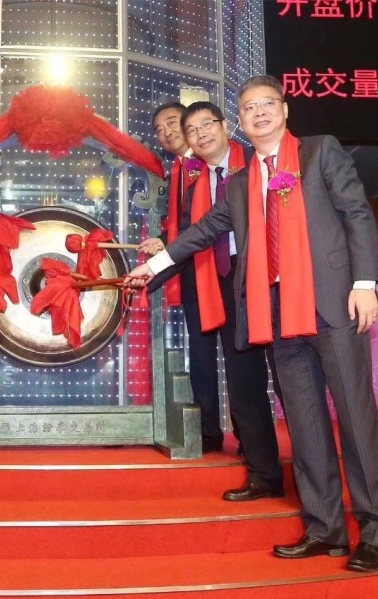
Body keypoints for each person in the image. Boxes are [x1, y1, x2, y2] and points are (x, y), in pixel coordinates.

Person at [126, 75, 378, 573]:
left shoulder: (320, 151)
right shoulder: (239, 183)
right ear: (241, 121)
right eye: (249, 108)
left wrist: (364, 283)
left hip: (333, 307)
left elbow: (357, 214)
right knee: (305, 428)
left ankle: (377, 530)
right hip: (276, 316)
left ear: (285, 109)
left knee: (356, 422)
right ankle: (325, 529)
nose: (259, 113)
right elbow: (202, 232)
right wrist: (154, 265)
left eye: (267, 104)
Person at [142, 101, 283, 500]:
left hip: (267, 277)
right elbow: (196, 232)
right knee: (243, 378)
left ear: (226, 126)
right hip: (221, 279)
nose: (200, 134)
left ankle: (303, 472)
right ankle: (264, 472)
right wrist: (153, 268)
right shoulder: (195, 182)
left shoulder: (256, 163)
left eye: (207, 125)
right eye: (193, 130)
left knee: (287, 377)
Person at [151, 102, 224, 453]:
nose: (167, 132)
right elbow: (183, 224)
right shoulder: (177, 171)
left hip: (222, 267)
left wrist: (168, 247)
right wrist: (163, 242)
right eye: (159, 129)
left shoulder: (209, 165)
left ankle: (248, 433)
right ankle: (208, 430)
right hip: (193, 269)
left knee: (239, 354)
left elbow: (206, 223)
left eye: (172, 123)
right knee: (201, 353)